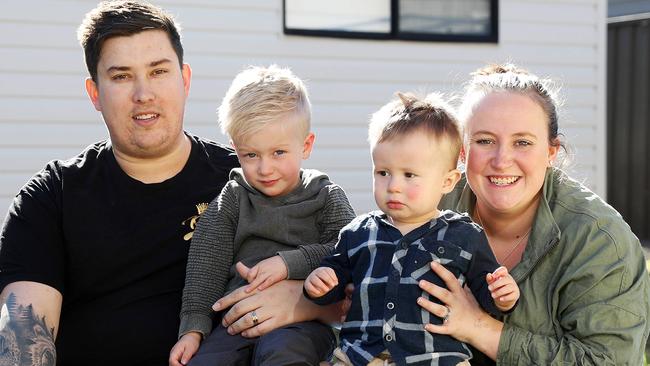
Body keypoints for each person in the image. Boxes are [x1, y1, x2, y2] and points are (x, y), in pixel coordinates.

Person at [0, 2, 335, 365]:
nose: (144, 94)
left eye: (158, 71)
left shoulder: (250, 177)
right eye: (121, 76)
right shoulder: (52, 196)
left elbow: (355, 278)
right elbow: (22, 338)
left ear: (185, 79)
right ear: (95, 93)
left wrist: (303, 302)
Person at [416, 63, 650, 365]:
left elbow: (607, 361)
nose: (502, 161)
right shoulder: (427, 208)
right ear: (463, 150)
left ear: (551, 152)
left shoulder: (600, 240)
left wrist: (479, 327)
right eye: (485, 141)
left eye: (522, 143)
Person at [304, 93, 520, 366]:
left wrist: (502, 297)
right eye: (383, 172)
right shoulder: (358, 233)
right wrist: (320, 283)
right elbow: (335, 283)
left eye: (409, 175)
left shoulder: (464, 235)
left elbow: (485, 293)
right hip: (362, 356)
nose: (393, 185)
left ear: (447, 181)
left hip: (437, 357)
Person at [169, 65, 356, 366]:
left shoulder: (324, 195)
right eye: (251, 155)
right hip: (237, 319)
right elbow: (205, 266)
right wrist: (192, 329)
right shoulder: (233, 198)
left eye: (278, 153)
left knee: (283, 355)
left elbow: (348, 252)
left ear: (306, 145)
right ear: (235, 149)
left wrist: (288, 264)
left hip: (303, 324)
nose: (265, 168)